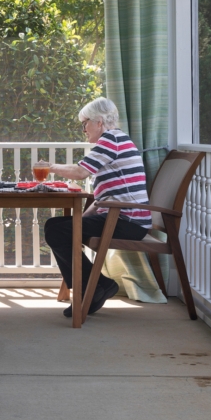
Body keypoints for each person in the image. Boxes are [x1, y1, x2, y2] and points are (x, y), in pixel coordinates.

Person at [40, 97, 152, 318]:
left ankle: (92, 289)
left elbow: (81, 172)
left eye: (85, 123)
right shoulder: (116, 140)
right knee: (57, 226)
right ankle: (97, 285)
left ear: (99, 122)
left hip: (127, 221)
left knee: (56, 229)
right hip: (121, 217)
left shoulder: (111, 139)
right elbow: (107, 196)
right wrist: (84, 215)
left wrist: (50, 167)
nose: (84, 129)